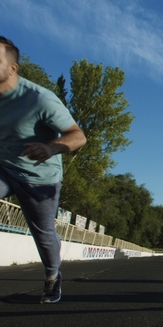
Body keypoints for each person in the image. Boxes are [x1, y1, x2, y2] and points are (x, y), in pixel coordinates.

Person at [0, 36, 87, 303]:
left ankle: (52, 276)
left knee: (43, 232)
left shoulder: (39, 98)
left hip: (40, 176)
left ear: (13, 67)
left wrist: (51, 148)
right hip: (4, 168)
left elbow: (77, 135)